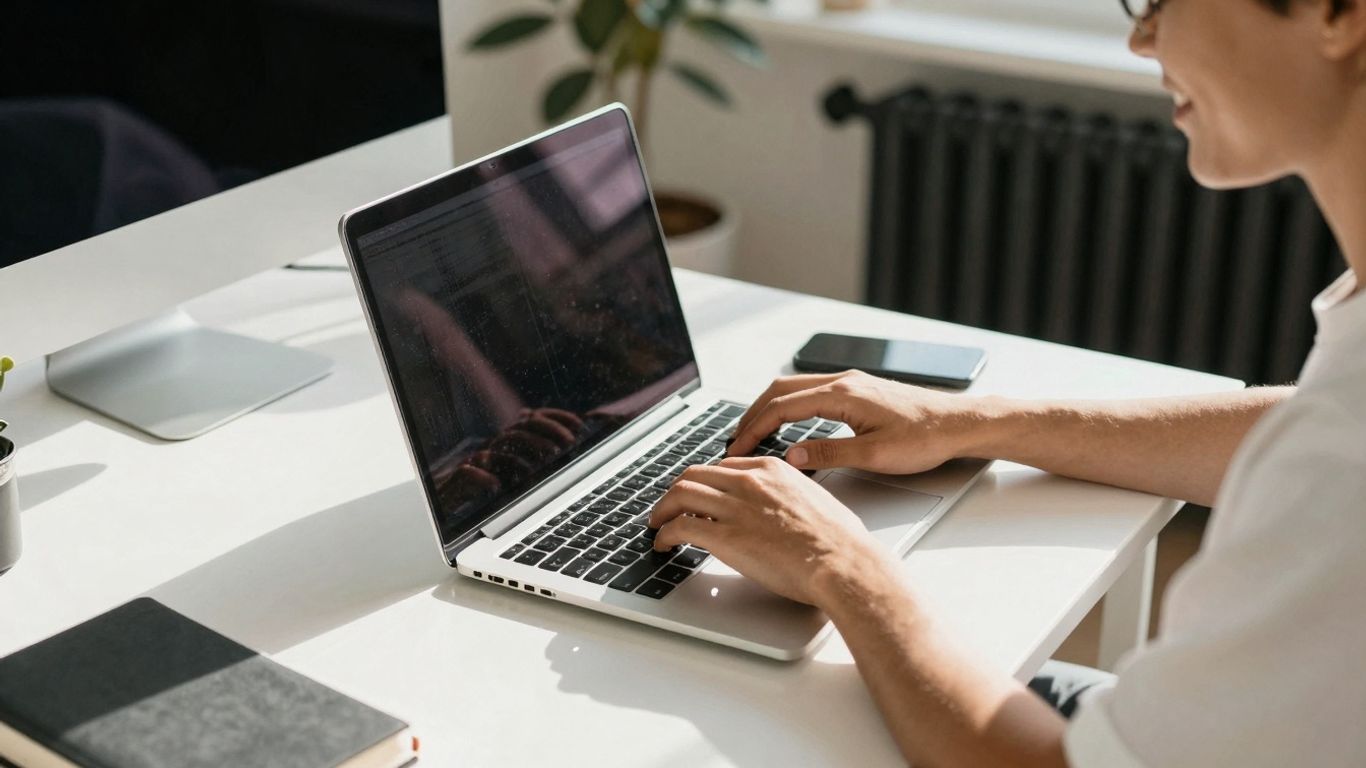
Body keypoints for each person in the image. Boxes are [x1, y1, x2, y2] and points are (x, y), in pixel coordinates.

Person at [649, 0, 1366, 764]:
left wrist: (844, 571)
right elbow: (1302, 424)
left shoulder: (1338, 466)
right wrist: (981, 421)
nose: (1140, 35)